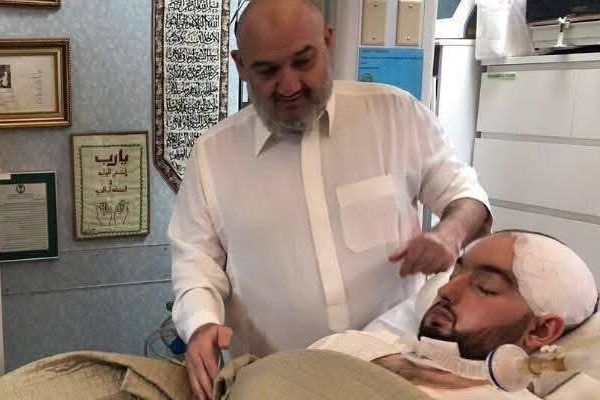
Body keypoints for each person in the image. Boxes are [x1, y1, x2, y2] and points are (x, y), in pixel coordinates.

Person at [168, 0, 490, 398]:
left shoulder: (396, 116)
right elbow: (195, 266)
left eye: (303, 61)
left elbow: (467, 198)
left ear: (328, 42)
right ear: (241, 66)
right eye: (267, 71)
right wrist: (201, 325)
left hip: (394, 380)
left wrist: (448, 236)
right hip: (279, 386)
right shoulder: (212, 155)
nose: (289, 86)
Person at [310, 230, 598, 399]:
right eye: (455, 274)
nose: (446, 290)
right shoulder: (344, 345)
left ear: (540, 330)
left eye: (485, 287)